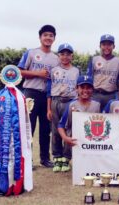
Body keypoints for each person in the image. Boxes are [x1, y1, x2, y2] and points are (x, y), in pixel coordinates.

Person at [17, 25, 59, 168]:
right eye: (45, 35)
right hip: (31, 93)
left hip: (47, 96)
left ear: (54, 38)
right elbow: (19, 71)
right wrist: (37, 73)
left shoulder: (56, 58)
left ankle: (45, 158)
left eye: (51, 35)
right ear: (40, 37)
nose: (48, 37)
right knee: (30, 128)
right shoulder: (31, 53)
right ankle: (27, 159)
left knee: (45, 129)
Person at [46, 43, 80, 172]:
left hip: (70, 102)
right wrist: (48, 108)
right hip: (56, 101)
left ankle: (66, 158)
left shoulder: (76, 71)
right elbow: (49, 91)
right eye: (62, 54)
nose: (65, 56)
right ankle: (57, 157)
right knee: (55, 131)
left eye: (68, 54)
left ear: (72, 56)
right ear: (58, 55)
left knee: (69, 130)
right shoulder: (54, 70)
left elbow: (79, 89)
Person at [57, 75, 101, 172]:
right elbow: (60, 125)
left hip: (91, 140)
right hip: (74, 140)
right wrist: (65, 138)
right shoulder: (71, 105)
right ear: (77, 88)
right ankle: (67, 157)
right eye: (82, 87)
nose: (85, 90)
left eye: (88, 87)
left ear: (92, 89)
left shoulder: (97, 105)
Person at [87, 34, 119, 111]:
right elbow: (89, 78)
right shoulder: (94, 59)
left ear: (114, 46)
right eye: (104, 44)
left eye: (109, 44)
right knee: (94, 118)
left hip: (111, 94)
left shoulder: (118, 61)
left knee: (111, 119)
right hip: (96, 94)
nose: (106, 47)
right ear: (100, 46)